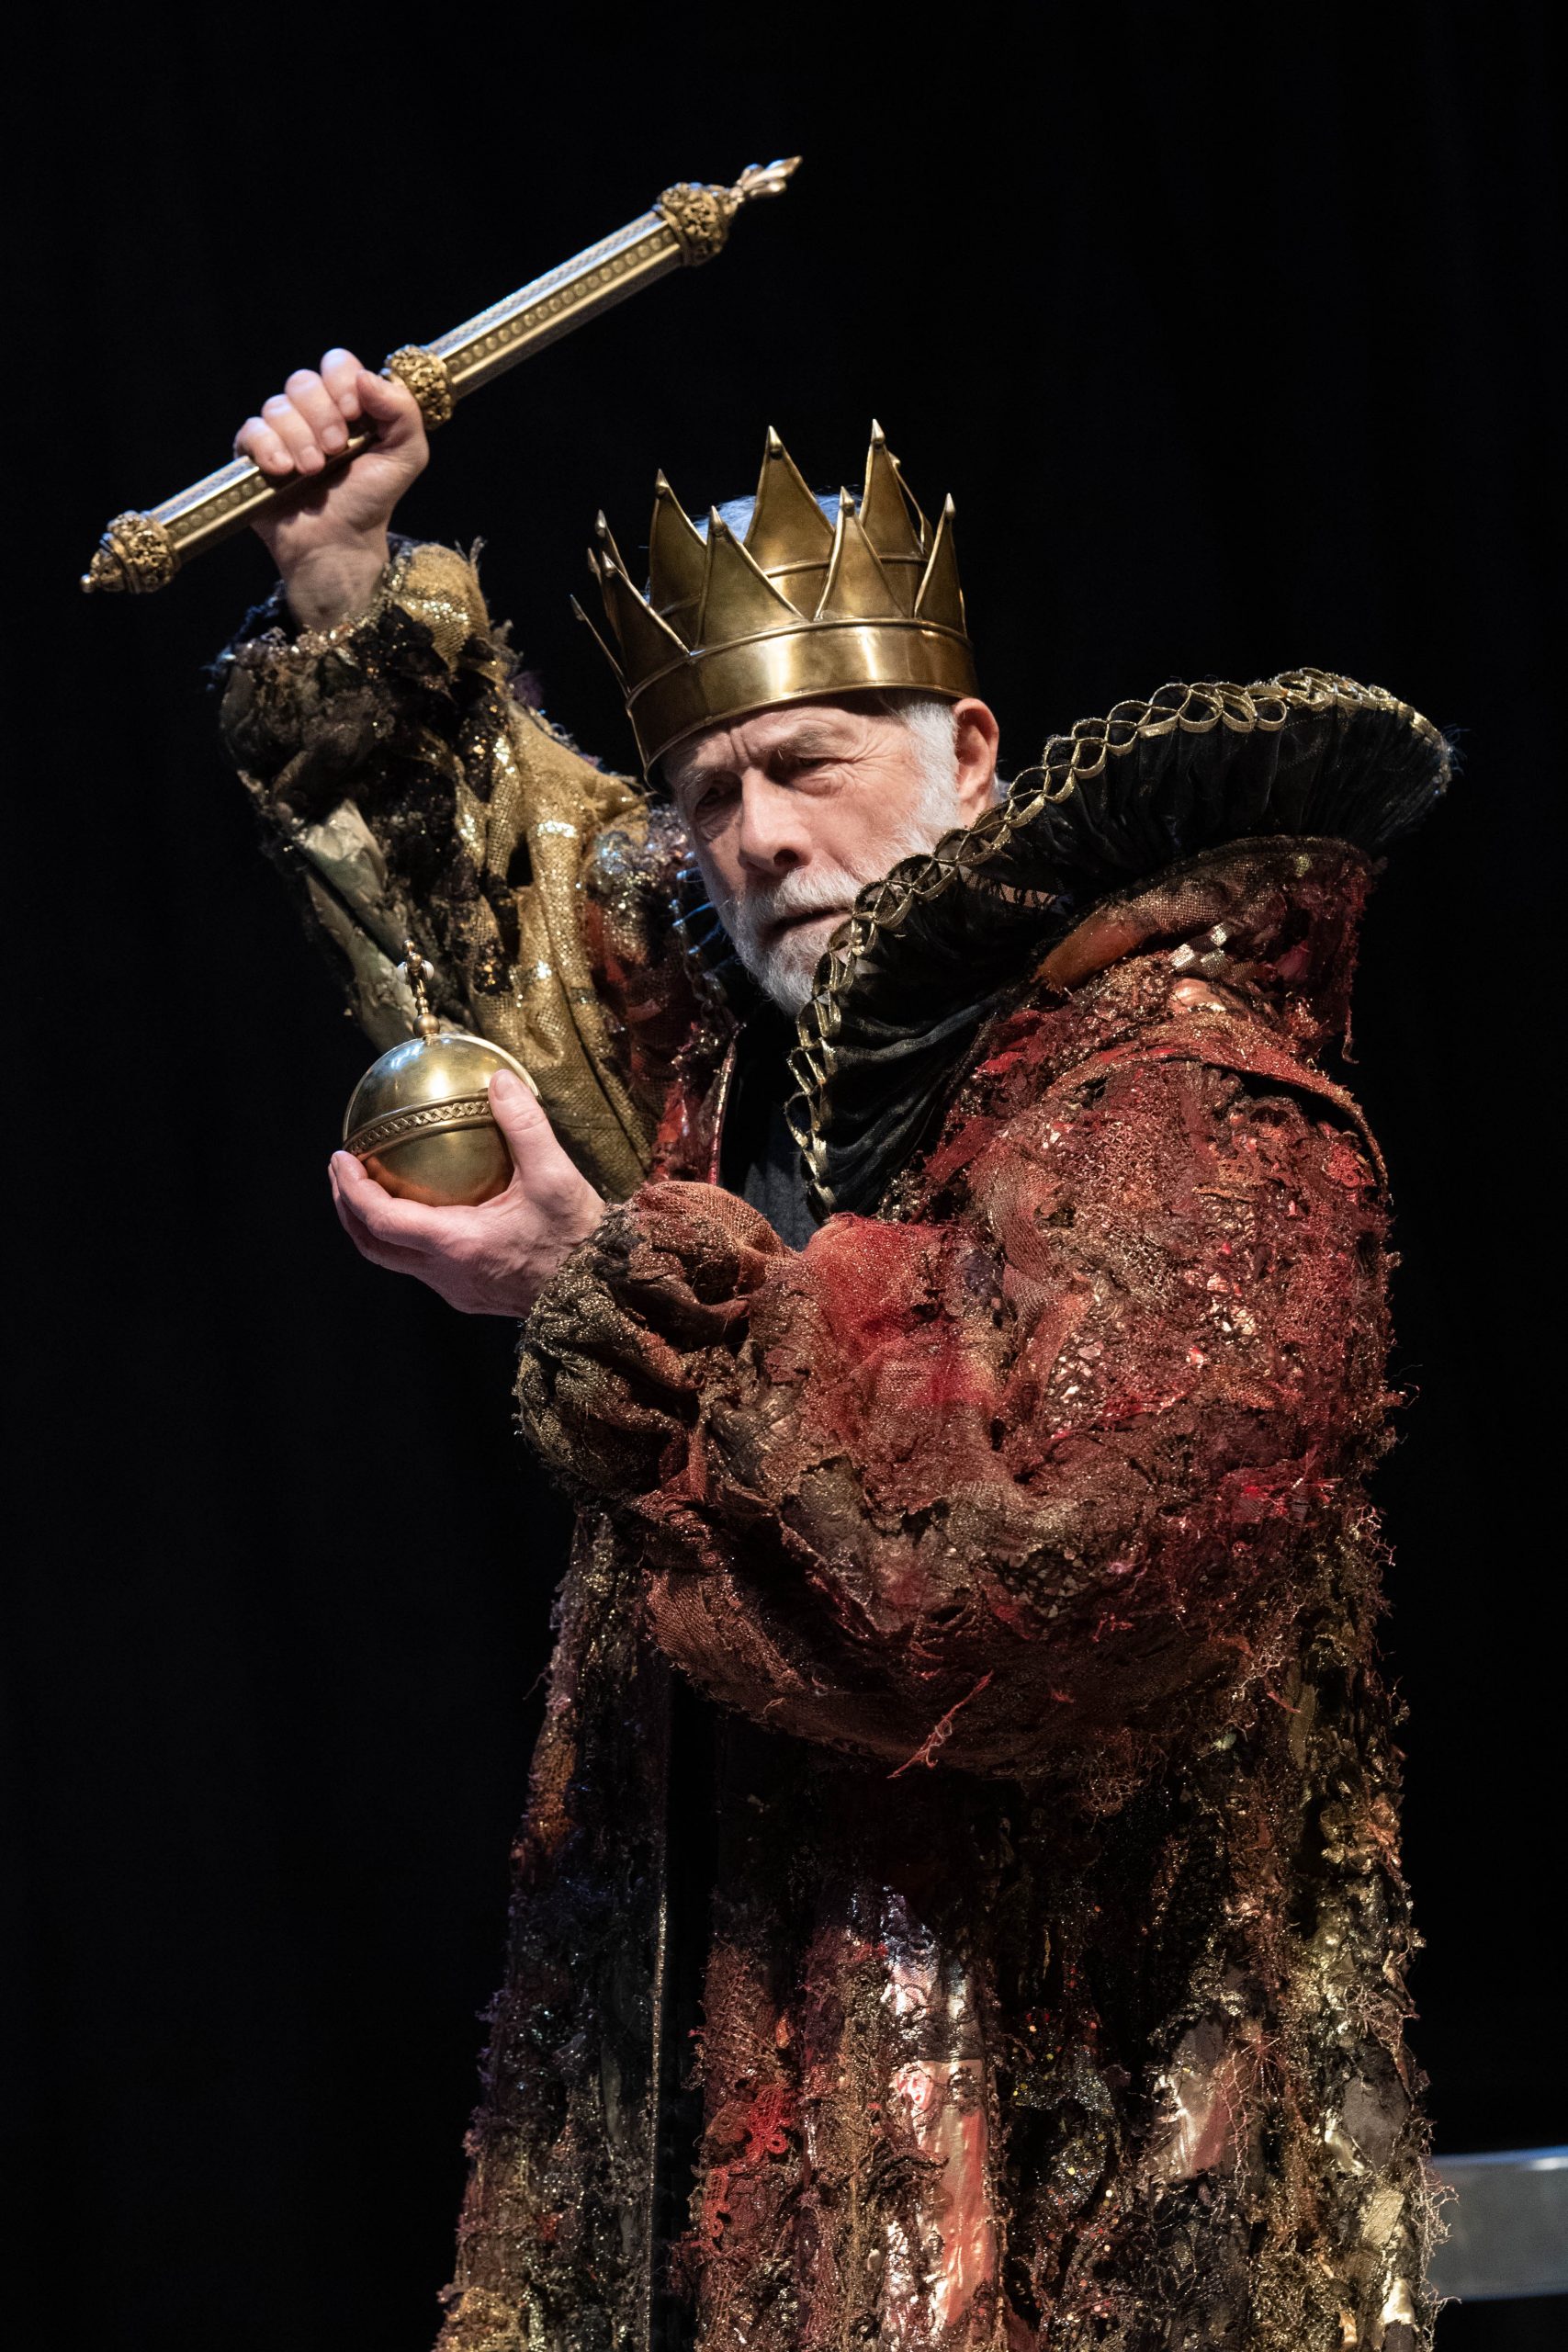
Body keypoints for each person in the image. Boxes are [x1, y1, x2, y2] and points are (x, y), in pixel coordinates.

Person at [215, 350, 1450, 2352]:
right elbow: (501, 898)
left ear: (969, 749)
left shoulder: (1184, 1080)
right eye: (710, 795)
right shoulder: (723, 1066)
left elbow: (1067, 1553)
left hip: (1069, 2115)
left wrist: (625, 1304)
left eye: (809, 764)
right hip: (736, 2070)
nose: (760, 838)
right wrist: (348, 577)